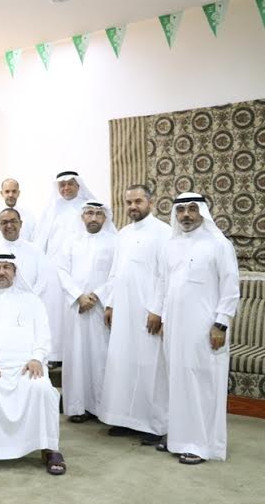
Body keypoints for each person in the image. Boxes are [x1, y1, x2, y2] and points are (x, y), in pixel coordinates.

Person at [154, 192, 239, 464]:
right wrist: (164, 319)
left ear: (202, 211)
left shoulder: (218, 244)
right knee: (176, 381)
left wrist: (221, 323)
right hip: (174, 327)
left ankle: (200, 444)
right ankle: (179, 437)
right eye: (181, 210)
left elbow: (230, 287)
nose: (186, 215)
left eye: (192, 209)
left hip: (205, 327)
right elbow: (164, 285)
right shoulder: (170, 245)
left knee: (201, 383)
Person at [0, 250, 65, 476]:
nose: (1, 272)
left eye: (6, 267)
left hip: (25, 364)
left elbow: (43, 334)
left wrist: (37, 357)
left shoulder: (31, 300)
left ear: (15, 271)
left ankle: (50, 449)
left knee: (42, 388)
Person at [98, 185, 171, 443]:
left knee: (150, 368)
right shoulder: (124, 233)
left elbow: (165, 275)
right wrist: (110, 304)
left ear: (150, 202)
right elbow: (115, 272)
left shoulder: (164, 233)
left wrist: (157, 310)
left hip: (147, 312)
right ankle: (126, 420)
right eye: (129, 202)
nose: (132, 207)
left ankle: (154, 425)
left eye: (138, 201)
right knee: (123, 364)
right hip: (123, 311)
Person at [56, 202, 116, 422]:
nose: (94, 217)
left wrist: (97, 295)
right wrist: (78, 296)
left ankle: (101, 408)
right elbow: (61, 271)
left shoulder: (114, 242)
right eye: (89, 213)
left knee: (100, 357)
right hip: (76, 308)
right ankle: (78, 407)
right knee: (77, 357)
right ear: (82, 217)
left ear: (105, 218)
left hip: (102, 308)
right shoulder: (71, 241)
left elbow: (116, 274)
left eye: (99, 214)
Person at [34, 171, 99, 364]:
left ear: (79, 186)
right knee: (54, 312)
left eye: (70, 184)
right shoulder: (51, 208)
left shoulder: (87, 208)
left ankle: (76, 355)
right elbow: (40, 240)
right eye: (62, 185)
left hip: (79, 267)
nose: (66, 188)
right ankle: (55, 355)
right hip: (54, 268)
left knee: (76, 310)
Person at [0, 178, 37, 243]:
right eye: (7, 191)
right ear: (2, 193)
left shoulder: (29, 216)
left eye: (14, 191)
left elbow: (33, 240)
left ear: (18, 193)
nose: (11, 195)